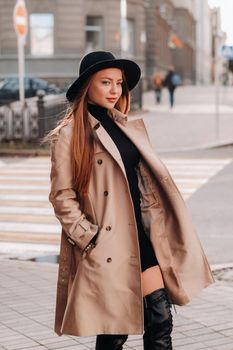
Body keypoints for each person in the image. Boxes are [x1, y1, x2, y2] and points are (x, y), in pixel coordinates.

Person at [47, 51, 214, 350]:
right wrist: (87, 237)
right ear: (88, 86)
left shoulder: (125, 125)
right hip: (106, 244)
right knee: (114, 331)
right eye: (106, 82)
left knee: (160, 319)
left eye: (119, 84)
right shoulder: (69, 135)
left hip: (140, 236)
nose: (115, 91)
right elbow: (61, 196)